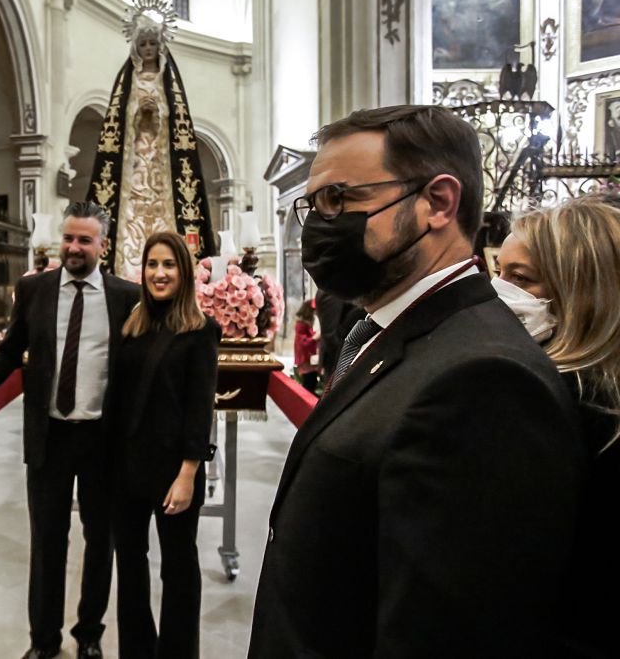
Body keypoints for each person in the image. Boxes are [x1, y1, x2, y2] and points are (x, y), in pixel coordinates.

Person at [248, 105, 585, 657]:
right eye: (315, 206)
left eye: (341, 199)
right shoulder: (389, 332)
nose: (322, 224)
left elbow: (447, 633)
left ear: (437, 202)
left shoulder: (484, 379)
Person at [0, 201, 141, 659]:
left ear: (102, 246)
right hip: (49, 437)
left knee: (99, 541)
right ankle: (43, 641)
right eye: (68, 238)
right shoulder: (35, 290)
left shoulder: (125, 297)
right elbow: (10, 350)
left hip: (101, 440)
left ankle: (89, 634)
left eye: (83, 240)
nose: (72, 247)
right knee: (47, 542)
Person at [495, 198, 620, 657]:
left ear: (581, 287)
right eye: (498, 271)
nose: (498, 289)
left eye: (520, 277)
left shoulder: (546, 393)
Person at [109, 231, 219, 658]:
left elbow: (199, 407)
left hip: (175, 469)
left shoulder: (201, 330)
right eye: (152, 264)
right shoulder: (133, 327)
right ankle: (137, 650)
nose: (159, 273)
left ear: (184, 273)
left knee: (178, 566)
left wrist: (189, 473)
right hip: (127, 465)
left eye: (168, 265)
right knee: (131, 564)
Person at [85, 0, 215, 279]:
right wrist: (135, 112)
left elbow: (177, 123)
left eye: (152, 44)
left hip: (162, 164)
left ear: (160, 46)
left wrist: (158, 112)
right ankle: (126, 272)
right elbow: (117, 122)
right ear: (135, 46)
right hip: (133, 163)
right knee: (130, 213)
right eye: (143, 44)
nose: (147, 49)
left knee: (164, 217)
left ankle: (170, 268)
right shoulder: (127, 80)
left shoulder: (169, 82)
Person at [292, 300, 320, 394]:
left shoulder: (305, 324)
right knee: (309, 384)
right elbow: (303, 342)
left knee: (312, 381)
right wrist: (315, 337)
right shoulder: (301, 325)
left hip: (308, 358)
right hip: (305, 359)